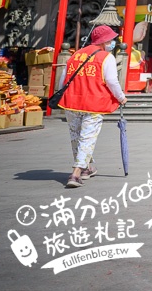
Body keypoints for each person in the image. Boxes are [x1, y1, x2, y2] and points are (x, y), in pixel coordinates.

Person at [57, 25, 127, 188]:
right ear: (105, 41)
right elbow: (111, 81)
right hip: (93, 103)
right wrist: (121, 97)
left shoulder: (75, 54)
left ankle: (87, 168)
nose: (113, 42)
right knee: (87, 137)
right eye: (111, 40)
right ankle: (76, 173)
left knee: (76, 137)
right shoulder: (105, 57)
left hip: (72, 101)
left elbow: (63, 81)